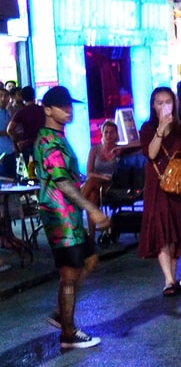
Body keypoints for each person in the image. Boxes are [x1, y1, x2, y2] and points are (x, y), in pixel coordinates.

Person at [34, 86, 109, 349]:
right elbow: (63, 183)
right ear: (47, 109)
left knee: (88, 260)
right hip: (60, 217)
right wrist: (93, 209)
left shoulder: (59, 136)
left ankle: (61, 315)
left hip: (71, 217)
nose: (69, 110)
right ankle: (68, 333)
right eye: (62, 106)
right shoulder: (48, 141)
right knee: (69, 271)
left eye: (70, 105)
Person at [139, 87, 181, 296]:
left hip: (177, 184)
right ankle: (169, 280)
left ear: (174, 104)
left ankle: (173, 276)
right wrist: (161, 129)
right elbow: (151, 153)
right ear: (153, 106)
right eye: (159, 102)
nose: (164, 106)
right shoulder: (147, 128)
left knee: (175, 231)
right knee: (161, 230)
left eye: (168, 102)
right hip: (157, 184)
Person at [81, 119, 124, 245]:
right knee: (92, 197)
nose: (109, 135)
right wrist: (101, 177)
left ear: (116, 135)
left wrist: (105, 178)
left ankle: (75, 208)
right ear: (102, 134)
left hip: (111, 185)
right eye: (106, 132)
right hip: (96, 183)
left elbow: (138, 145)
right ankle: (91, 237)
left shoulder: (119, 150)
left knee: (92, 182)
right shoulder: (94, 150)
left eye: (112, 133)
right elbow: (89, 172)